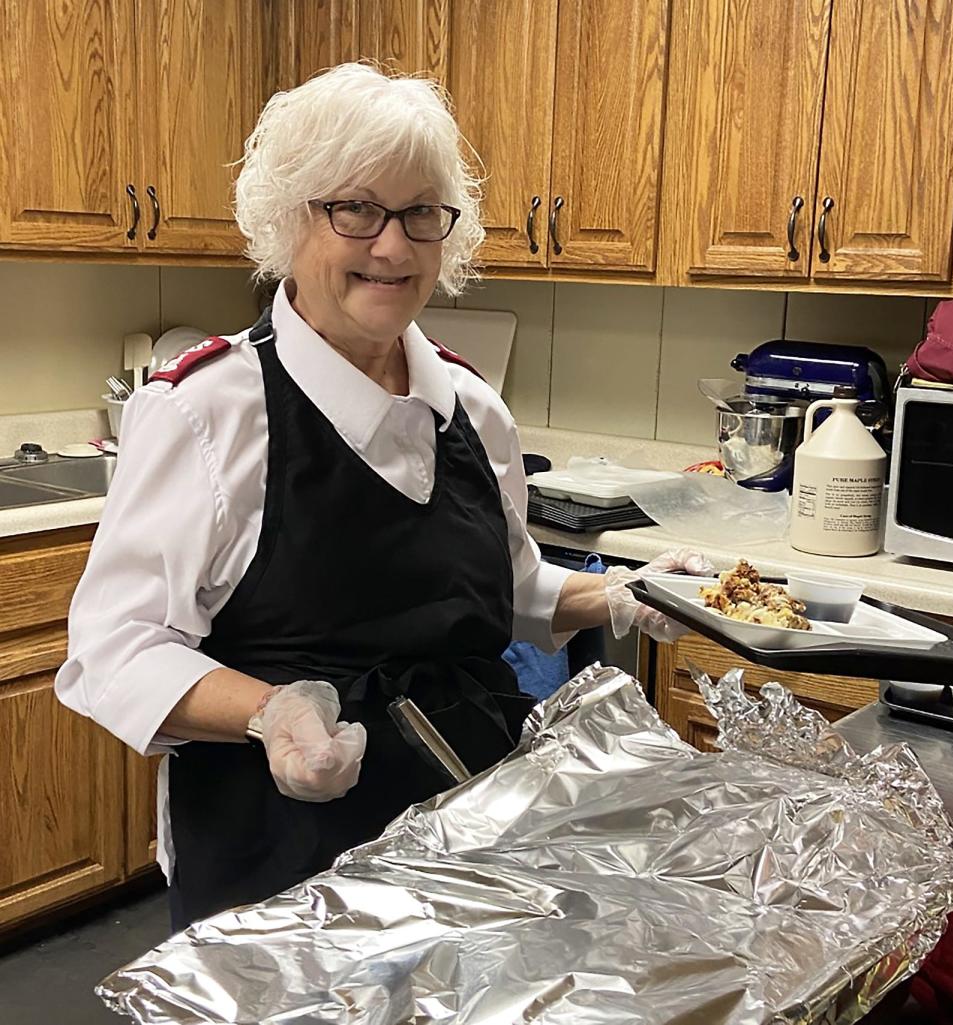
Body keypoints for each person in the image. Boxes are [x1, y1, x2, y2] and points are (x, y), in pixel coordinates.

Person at [55, 63, 710, 930]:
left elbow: (504, 586)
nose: (392, 247)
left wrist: (622, 595)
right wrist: (272, 713)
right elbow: (116, 649)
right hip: (281, 858)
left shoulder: (475, 407)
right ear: (290, 219)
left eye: (419, 214)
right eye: (354, 209)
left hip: (470, 829)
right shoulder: (207, 411)